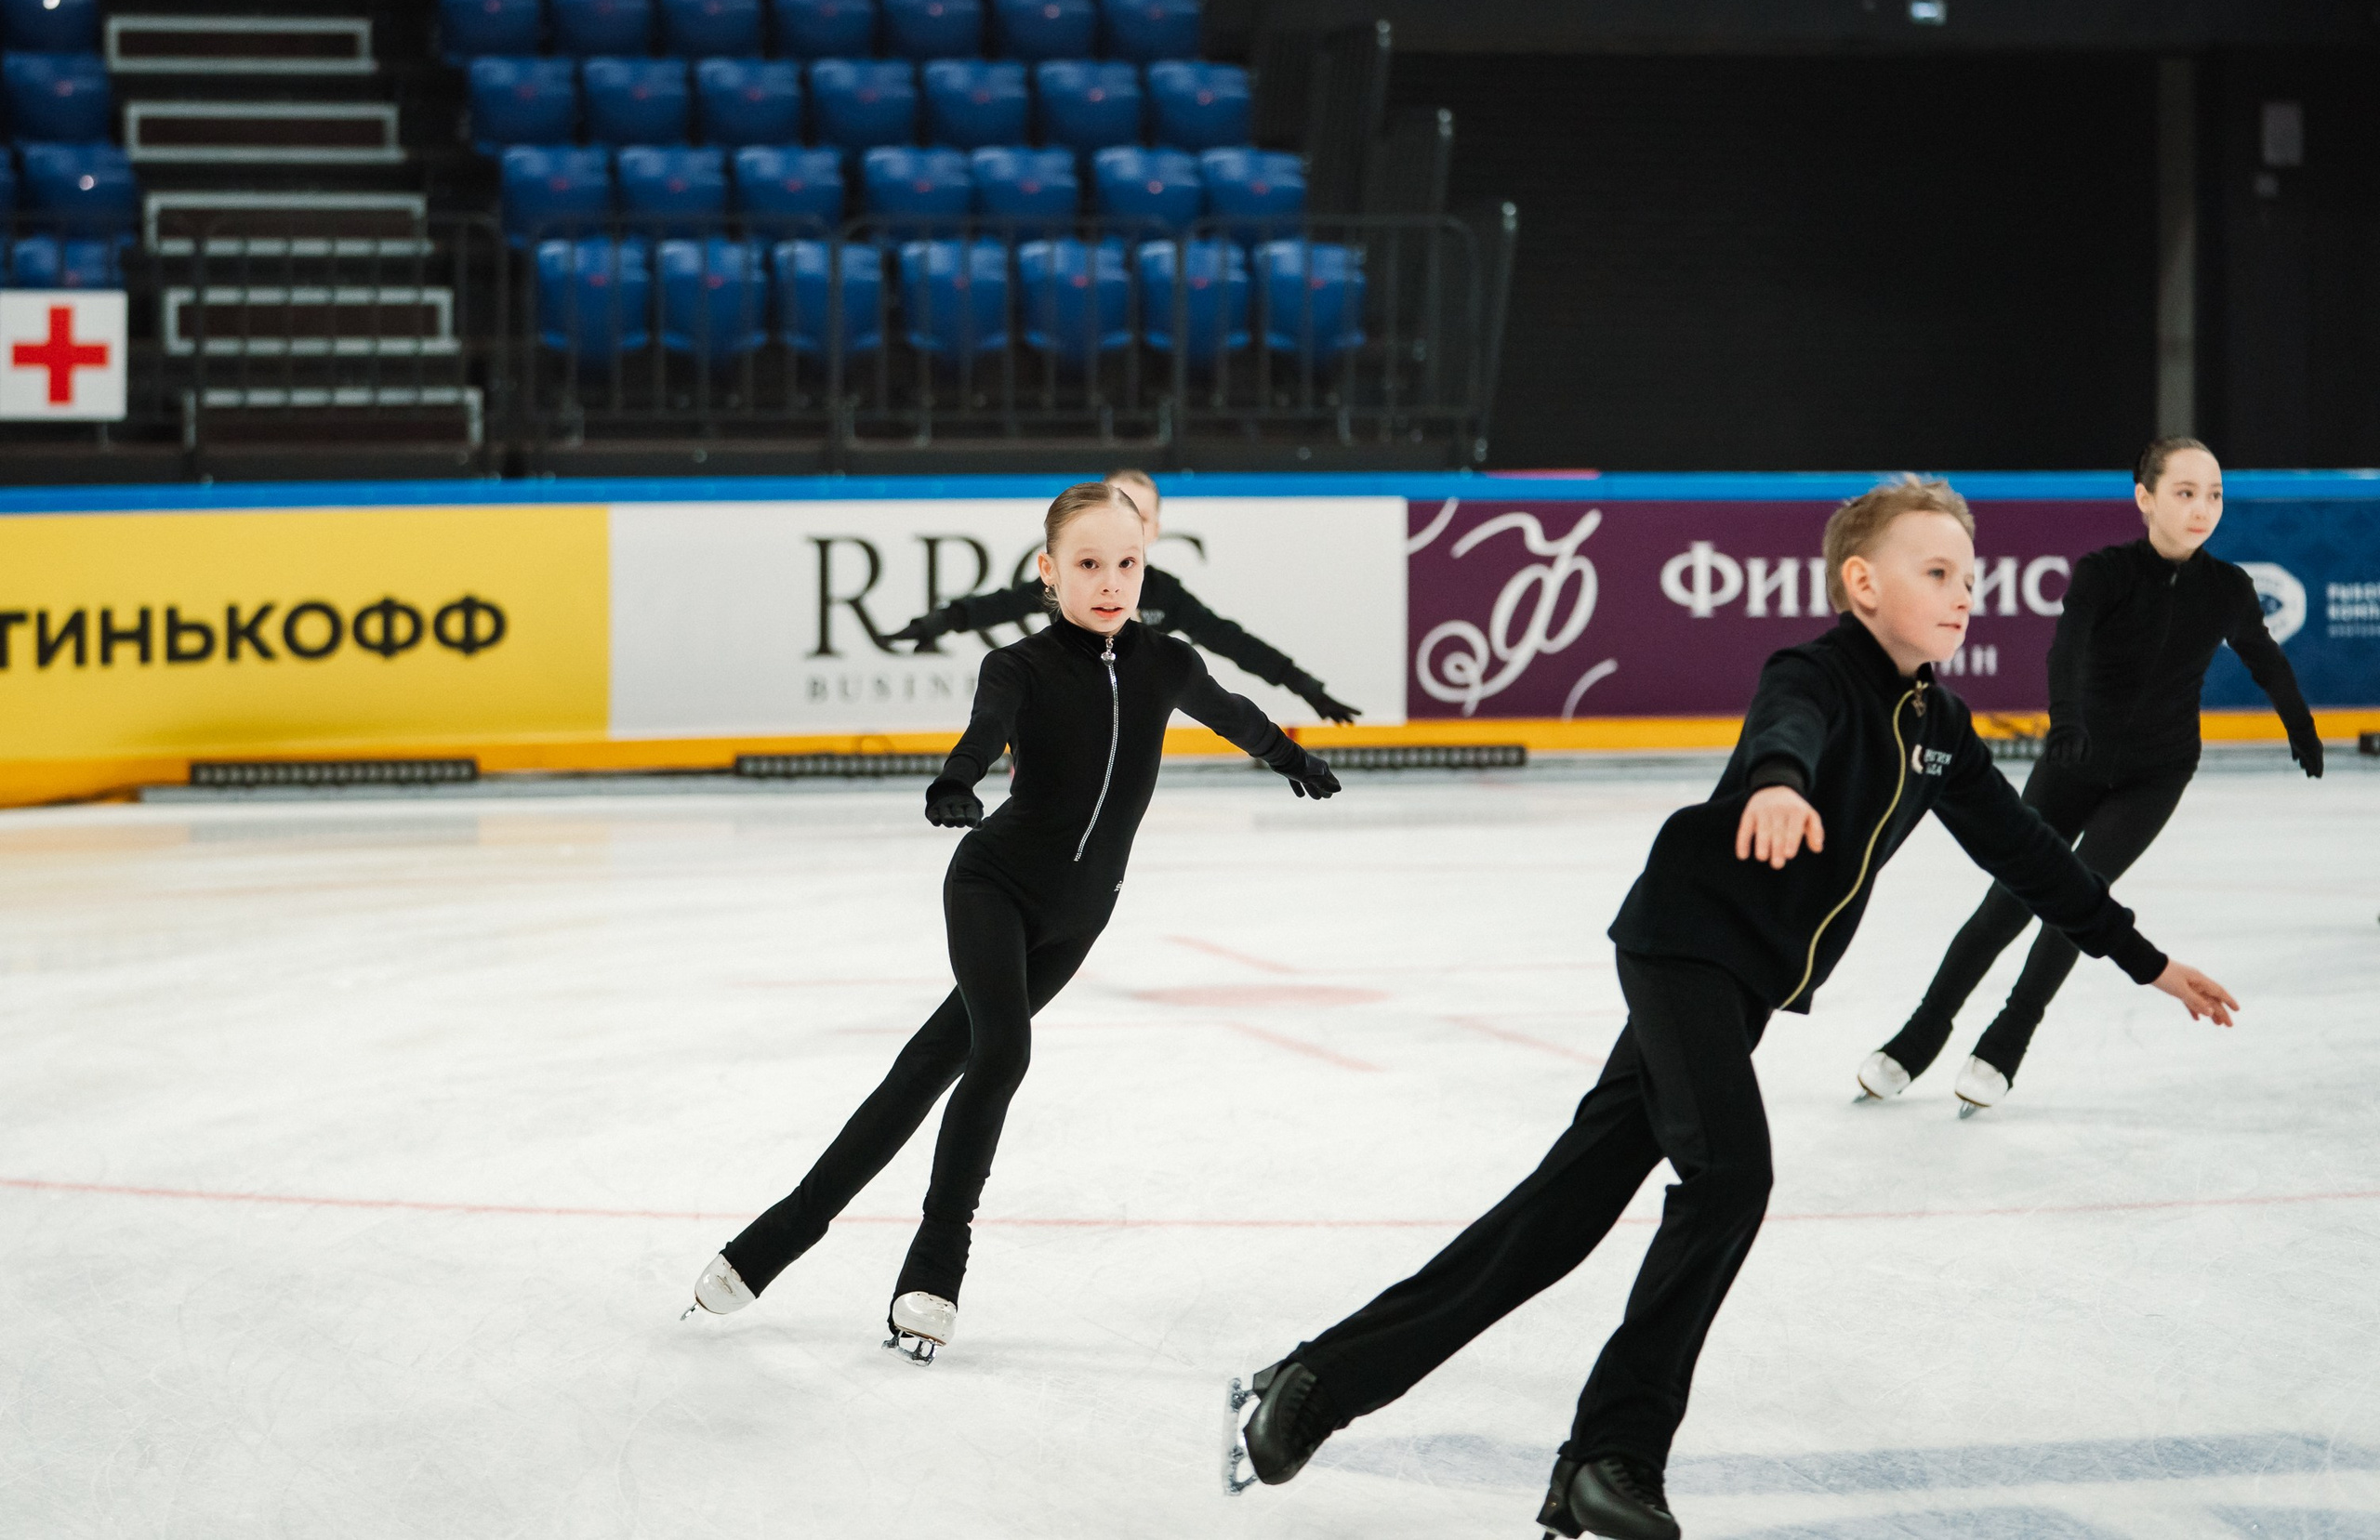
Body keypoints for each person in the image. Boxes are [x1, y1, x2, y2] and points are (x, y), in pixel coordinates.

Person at [1226, 478, 2238, 1540]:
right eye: (1935, 573)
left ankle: (1312, 1385)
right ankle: (1611, 1454)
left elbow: (2030, 857)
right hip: (1683, 949)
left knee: (1558, 1217)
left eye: (1969, 578)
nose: (1962, 596)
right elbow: (1783, 724)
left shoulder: (1937, 723)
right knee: (1731, 1176)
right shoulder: (1815, 671)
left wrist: (2143, 959)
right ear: (1861, 583)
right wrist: (1775, 783)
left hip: (1732, 980)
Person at [685, 479, 1342, 1362]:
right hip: (993, 886)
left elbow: (1235, 715)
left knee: (924, 1068)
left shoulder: (1166, 662)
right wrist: (955, 783)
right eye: (1088, 564)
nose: (1111, 582)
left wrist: (1291, 757)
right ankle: (934, 1271)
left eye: (1127, 563)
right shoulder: (1020, 666)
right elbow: (984, 730)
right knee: (1001, 1052)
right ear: (1048, 571)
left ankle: (773, 1239)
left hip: (1080, 918)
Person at [1857, 439, 2320, 1116]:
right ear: (2145, 497)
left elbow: (2265, 658)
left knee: (2078, 906)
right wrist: (2067, 723)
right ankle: (1921, 1032)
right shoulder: (2105, 572)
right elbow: (2066, 648)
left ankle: (2007, 1042)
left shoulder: (2228, 589)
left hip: (2156, 773)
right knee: (2007, 902)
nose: (2202, 508)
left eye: (2214, 494)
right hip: (2075, 758)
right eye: (2185, 492)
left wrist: (2299, 723)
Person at [889, 469, 1365, 726]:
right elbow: (1008, 603)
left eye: (1137, 513)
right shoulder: (1074, 578)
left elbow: (1231, 640)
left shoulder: (1165, 595)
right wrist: (941, 621)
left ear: (1153, 530)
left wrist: (1303, 684)